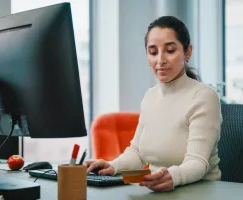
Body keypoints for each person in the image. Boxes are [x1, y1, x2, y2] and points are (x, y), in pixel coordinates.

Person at [85, 16, 222, 192]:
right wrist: (112, 166)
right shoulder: (150, 96)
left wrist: (173, 177)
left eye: (170, 50)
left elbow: (197, 162)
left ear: (188, 52)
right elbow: (137, 152)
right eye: (153, 52)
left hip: (198, 192)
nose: (160, 60)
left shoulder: (203, 96)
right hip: (157, 191)